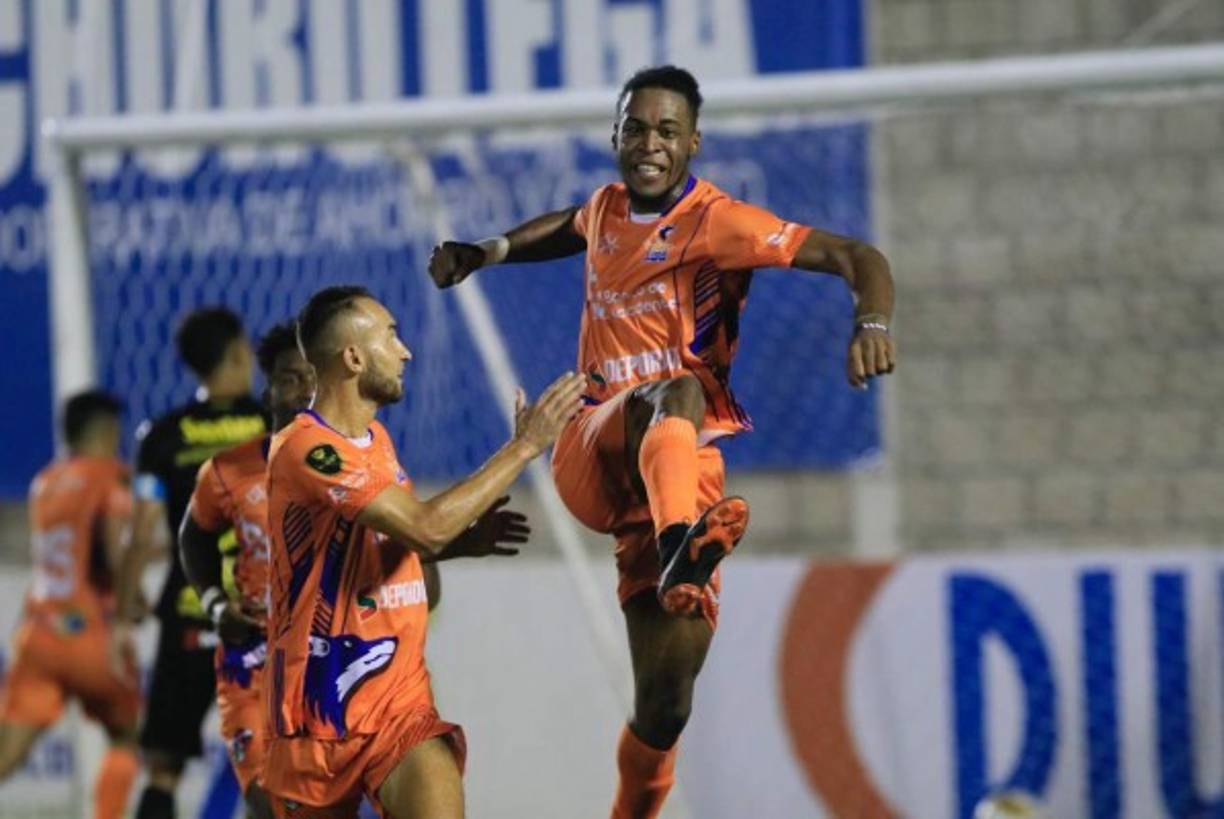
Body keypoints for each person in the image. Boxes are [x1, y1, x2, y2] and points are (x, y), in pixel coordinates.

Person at [428, 65, 897, 818]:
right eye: (636, 128)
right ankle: (683, 543)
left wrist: (871, 321)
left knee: (666, 703)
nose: (649, 144)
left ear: (693, 143)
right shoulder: (607, 206)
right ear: (615, 133)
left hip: (675, 474)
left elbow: (857, 257)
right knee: (675, 390)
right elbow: (567, 226)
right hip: (596, 445)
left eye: (667, 131)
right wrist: (486, 250)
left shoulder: (721, 222)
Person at [262, 285, 586, 818]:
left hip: (398, 704)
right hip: (316, 713)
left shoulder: (377, 442)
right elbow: (425, 527)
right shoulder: (306, 450)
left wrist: (459, 543)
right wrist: (526, 445)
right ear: (353, 357)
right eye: (391, 335)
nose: (405, 350)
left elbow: (404, 540)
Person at [112, 308, 268, 819]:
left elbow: (142, 529)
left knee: (163, 766)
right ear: (241, 354)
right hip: (257, 616)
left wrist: (127, 599)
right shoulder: (270, 424)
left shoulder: (160, 437)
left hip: (188, 610)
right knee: (274, 760)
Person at [177, 323, 317, 819]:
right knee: (270, 805)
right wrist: (216, 604)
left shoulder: (364, 467)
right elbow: (193, 535)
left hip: (328, 662)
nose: (301, 391)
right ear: (268, 388)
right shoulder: (228, 470)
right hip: (250, 661)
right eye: (288, 378)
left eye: (312, 378)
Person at [0, 390, 142, 818]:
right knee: (128, 734)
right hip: (89, 634)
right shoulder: (110, 475)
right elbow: (115, 549)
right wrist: (133, 598)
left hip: (39, 631)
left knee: (8, 755)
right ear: (107, 431)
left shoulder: (44, 482)